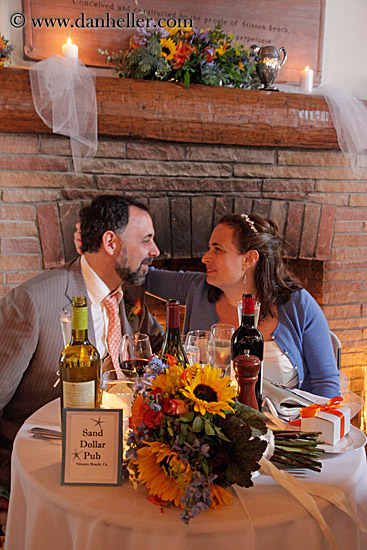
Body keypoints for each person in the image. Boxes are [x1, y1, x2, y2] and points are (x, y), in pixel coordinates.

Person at [0, 194, 164, 505]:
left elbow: (164, 351)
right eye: (146, 241)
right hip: (47, 461)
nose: (155, 251)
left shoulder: (127, 296)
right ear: (110, 242)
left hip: (122, 452)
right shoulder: (33, 303)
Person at [144, 213, 340, 399]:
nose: (205, 258)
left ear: (249, 259)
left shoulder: (297, 304)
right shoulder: (197, 288)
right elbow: (143, 276)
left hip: (286, 428)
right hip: (208, 426)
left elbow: (325, 382)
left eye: (217, 249)